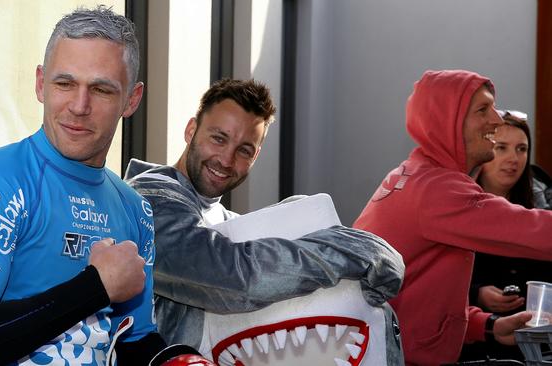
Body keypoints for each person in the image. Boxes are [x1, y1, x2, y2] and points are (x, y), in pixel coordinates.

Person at [0, 6, 214, 366]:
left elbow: (133, 342)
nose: (79, 106)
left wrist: (180, 361)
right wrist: (95, 287)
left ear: (132, 99)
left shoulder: (134, 208)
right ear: (40, 84)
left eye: (101, 89)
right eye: (65, 84)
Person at [124, 78, 407, 365]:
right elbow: (231, 277)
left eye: (244, 150)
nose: (226, 159)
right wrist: (349, 251)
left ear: (255, 156)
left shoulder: (224, 219)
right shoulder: (148, 199)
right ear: (191, 130)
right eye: (218, 138)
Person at [353, 69, 552, 366]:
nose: (497, 120)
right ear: (447, 121)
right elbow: (536, 232)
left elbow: (417, 295)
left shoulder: (414, 174)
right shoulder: (437, 189)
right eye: (483, 109)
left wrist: (487, 325)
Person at [460, 111, 552, 361]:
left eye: (522, 149)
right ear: (485, 152)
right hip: (474, 338)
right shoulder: (457, 205)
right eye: (501, 148)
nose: (513, 158)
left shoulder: (543, 206)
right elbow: (439, 276)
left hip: (535, 340)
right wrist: (477, 293)